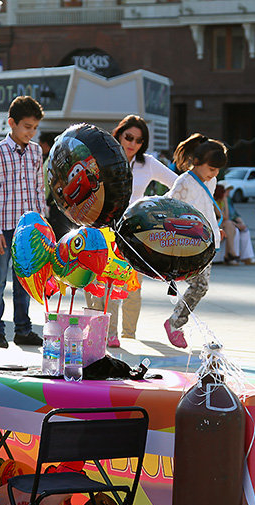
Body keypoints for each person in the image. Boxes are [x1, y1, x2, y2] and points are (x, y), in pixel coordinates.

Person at [86, 115, 177, 346]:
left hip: (132, 232)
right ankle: (107, 333)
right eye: (129, 137)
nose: (133, 144)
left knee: (132, 286)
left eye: (139, 140)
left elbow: (178, 184)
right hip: (100, 228)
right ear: (119, 134)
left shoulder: (147, 164)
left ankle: (128, 335)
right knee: (100, 282)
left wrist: (155, 207)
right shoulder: (103, 156)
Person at [0, 96, 45, 349]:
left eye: (34, 128)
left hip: (29, 230)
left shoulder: (37, 151)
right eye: (27, 127)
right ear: (12, 123)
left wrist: (43, 228)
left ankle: (23, 330)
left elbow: (40, 190)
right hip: (3, 228)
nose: (31, 132)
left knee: (24, 281)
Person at [163, 134, 227, 349]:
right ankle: (174, 323)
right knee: (199, 284)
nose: (214, 174)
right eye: (211, 169)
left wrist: (214, 229)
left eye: (217, 170)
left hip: (208, 240)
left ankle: (175, 322)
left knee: (201, 286)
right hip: (190, 242)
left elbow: (205, 208)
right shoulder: (184, 182)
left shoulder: (212, 180)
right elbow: (170, 209)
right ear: (197, 162)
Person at [216, 184, 255, 265]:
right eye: (226, 191)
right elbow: (224, 217)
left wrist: (241, 223)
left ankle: (234, 254)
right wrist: (225, 201)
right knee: (231, 226)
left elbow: (233, 215)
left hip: (226, 223)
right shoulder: (215, 202)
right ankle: (231, 253)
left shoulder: (227, 201)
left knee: (238, 228)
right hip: (218, 223)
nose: (228, 193)